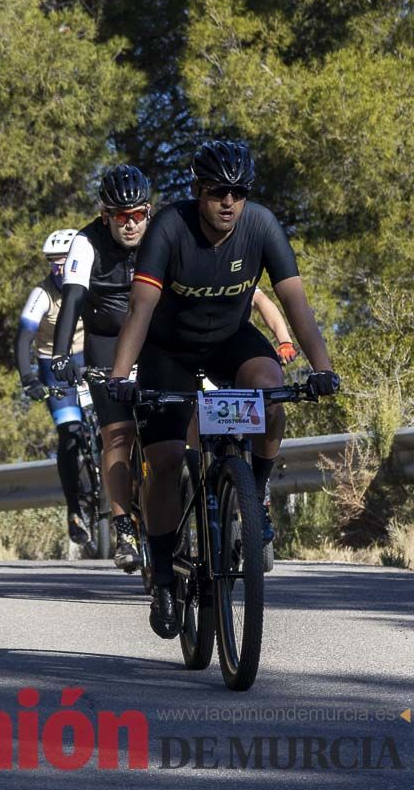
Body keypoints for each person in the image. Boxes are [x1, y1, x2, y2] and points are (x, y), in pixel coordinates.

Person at [106, 140, 339, 639]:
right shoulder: (170, 225)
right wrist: (121, 376)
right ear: (198, 191)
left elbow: (295, 303)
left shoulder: (260, 225)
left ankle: (254, 493)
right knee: (166, 459)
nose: (229, 202)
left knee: (271, 393)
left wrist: (323, 367)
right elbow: (141, 310)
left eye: (238, 192)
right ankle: (165, 576)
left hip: (231, 340)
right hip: (167, 349)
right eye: (217, 192)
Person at [51, 165, 152, 570]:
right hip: (106, 342)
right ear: (105, 214)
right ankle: (124, 524)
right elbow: (73, 299)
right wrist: (61, 354)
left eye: (138, 215)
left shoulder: (161, 234)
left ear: (149, 211)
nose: (130, 225)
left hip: (153, 338)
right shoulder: (86, 241)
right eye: (120, 217)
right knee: (118, 435)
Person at [17, 229, 90, 546]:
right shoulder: (41, 294)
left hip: (89, 360)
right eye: (53, 263)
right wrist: (28, 377)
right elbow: (24, 337)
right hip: (53, 369)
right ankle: (74, 510)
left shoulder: (90, 281)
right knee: (70, 435)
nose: (58, 269)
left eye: (63, 262)